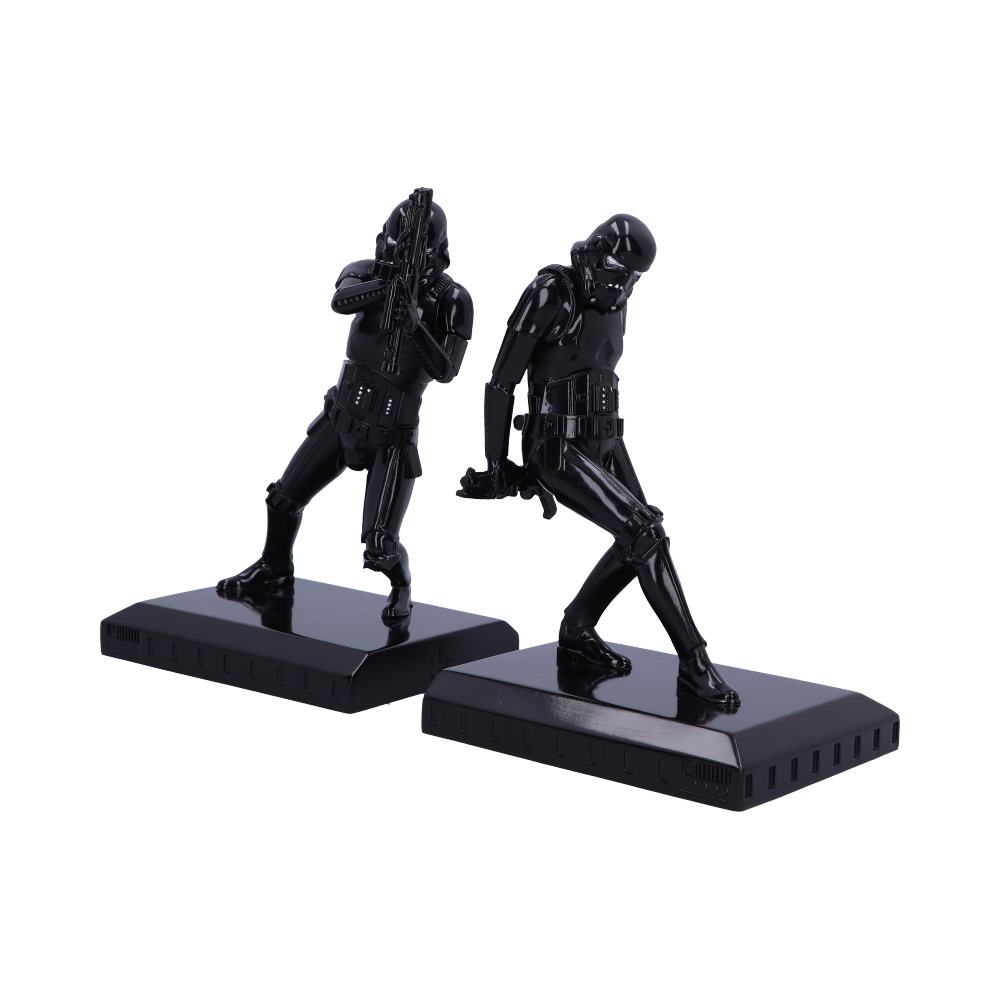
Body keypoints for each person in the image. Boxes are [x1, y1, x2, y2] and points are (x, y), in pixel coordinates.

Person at [458, 215, 738, 708]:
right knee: (643, 534)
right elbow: (501, 381)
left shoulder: (617, 301)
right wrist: (497, 464)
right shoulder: (551, 293)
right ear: (594, 252)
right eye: (618, 271)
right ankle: (694, 663)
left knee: (645, 537)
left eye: (635, 278)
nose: (624, 286)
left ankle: (577, 628)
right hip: (556, 444)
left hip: (606, 437)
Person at [220, 188, 472, 623]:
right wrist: (391, 287)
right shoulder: (366, 272)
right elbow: (341, 300)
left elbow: (446, 370)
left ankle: (401, 586)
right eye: (393, 243)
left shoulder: (452, 300)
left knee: (380, 545)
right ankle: (274, 567)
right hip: (342, 417)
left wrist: (415, 326)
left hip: (392, 433)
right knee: (282, 499)